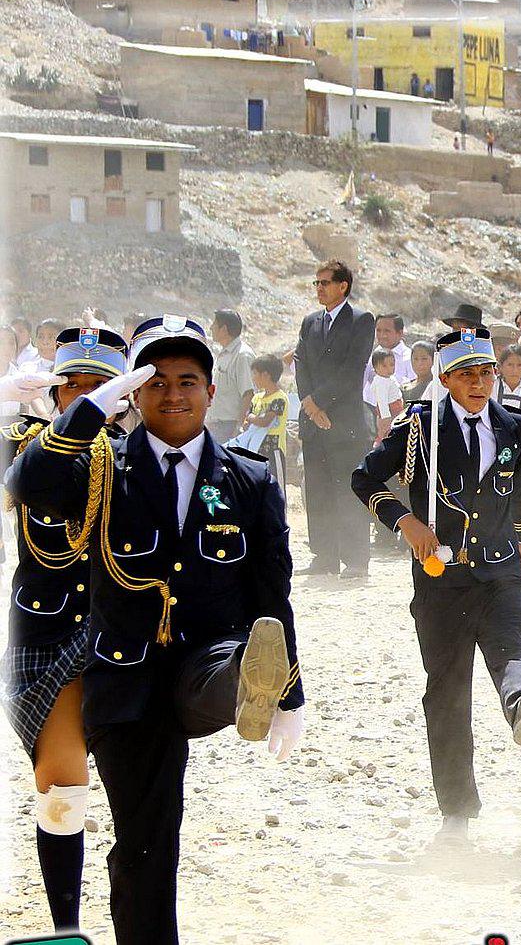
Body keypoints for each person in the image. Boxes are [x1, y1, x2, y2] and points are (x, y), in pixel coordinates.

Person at [7, 315, 307, 945]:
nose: (174, 394)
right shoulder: (100, 468)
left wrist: (289, 694)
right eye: (158, 381)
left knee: (226, 668)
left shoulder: (249, 479)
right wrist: (84, 411)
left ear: (212, 391)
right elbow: (25, 484)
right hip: (124, 675)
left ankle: (251, 688)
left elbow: (270, 590)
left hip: (208, 654)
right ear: (135, 395)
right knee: (147, 840)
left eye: (188, 381)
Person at [350, 327, 521, 845]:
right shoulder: (421, 427)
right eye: (467, 374)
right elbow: (365, 477)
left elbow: (520, 496)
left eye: (486, 372)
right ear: (445, 378)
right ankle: (457, 813)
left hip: (500, 569)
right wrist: (405, 522)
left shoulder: (513, 426)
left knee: (512, 646)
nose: (479, 382)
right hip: (442, 578)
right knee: (447, 691)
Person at [0, 327, 129, 932]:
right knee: (61, 793)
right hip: (48, 633)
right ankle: (65, 925)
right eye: (70, 387)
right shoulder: (23, 448)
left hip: (121, 628)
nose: (83, 400)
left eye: (99, 387)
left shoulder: (136, 456)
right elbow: (26, 481)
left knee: (140, 789)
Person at [294, 259, 376, 579]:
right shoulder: (310, 322)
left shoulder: (360, 320)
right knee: (318, 490)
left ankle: (355, 559)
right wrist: (310, 406)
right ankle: (324, 556)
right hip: (314, 422)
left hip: (345, 422)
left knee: (348, 491)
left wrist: (320, 402)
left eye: (325, 282)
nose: (319, 288)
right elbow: (300, 362)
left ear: (343, 286)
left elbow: (352, 369)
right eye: (316, 283)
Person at [206, 309, 255, 443]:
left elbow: (248, 393)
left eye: (214, 324)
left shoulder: (242, 355)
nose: (211, 328)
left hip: (229, 426)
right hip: (216, 426)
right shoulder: (223, 354)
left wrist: (238, 427)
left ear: (224, 329)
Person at [241, 353, 290, 485]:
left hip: (273, 451)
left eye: (255, 373)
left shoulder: (279, 398)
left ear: (266, 375)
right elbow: (247, 418)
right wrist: (247, 422)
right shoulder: (257, 398)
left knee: (276, 485)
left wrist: (251, 418)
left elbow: (265, 421)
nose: (253, 378)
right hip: (255, 449)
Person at [364, 347, 405, 442]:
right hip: (389, 410)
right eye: (384, 366)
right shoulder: (380, 382)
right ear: (375, 367)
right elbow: (382, 401)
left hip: (396, 407)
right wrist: (386, 417)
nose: (389, 369)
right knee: (386, 433)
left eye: (392, 365)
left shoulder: (389, 378)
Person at [365, 312, 416, 386]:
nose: (382, 335)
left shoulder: (410, 358)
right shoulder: (372, 355)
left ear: (400, 333)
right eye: (378, 331)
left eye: (387, 331)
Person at [403, 340, 437, 404]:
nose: (419, 363)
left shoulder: (436, 386)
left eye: (424, 359)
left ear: (433, 360)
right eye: (415, 359)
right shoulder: (404, 387)